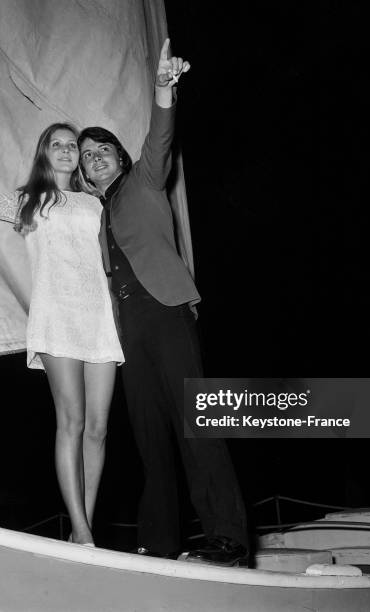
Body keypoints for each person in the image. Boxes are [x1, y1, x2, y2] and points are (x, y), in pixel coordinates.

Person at [77, 39, 249, 564]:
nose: (95, 156)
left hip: (166, 312)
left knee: (197, 424)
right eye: (86, 156)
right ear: (84, 178)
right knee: (150, 442)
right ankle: (157, 545)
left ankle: (229, 539)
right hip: (127, 332)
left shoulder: (144, 180)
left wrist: (163, 87)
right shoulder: (94, 214)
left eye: (102, 147)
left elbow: (161, 134)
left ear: (119, 156)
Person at [0, 122, 124, 546]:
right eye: (57, 144)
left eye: (72, 145)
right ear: (44, 153)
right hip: (57, 318)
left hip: (98, 319)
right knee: (73, 420)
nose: (66, 150)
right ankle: (82, 531)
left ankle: (86, 520)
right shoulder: (30, 201)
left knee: (99, 428)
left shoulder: (94, 203)